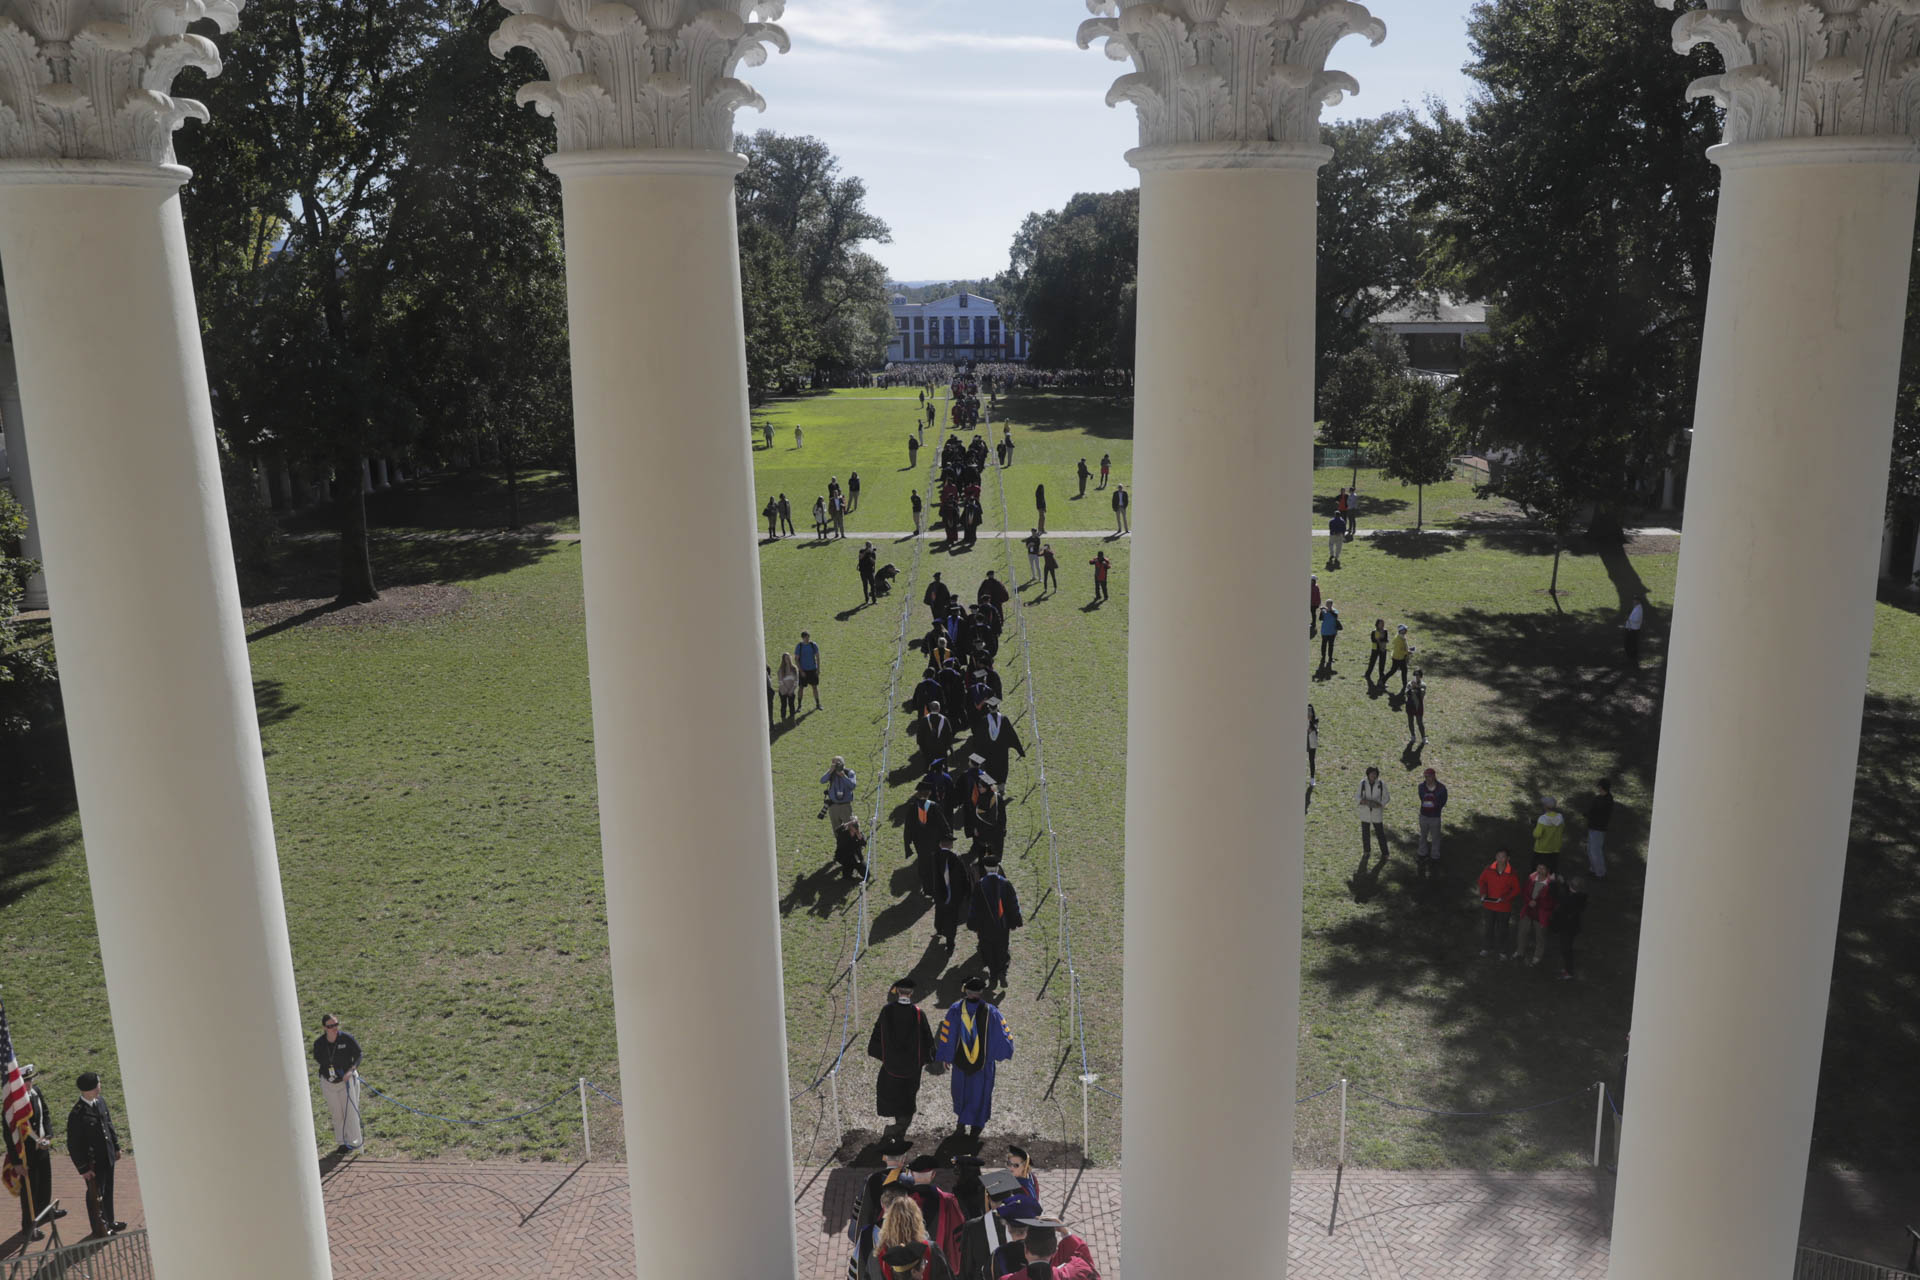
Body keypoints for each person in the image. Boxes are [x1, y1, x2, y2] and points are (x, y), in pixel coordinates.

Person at [933, 977, 1015, 1139]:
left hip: (961, 1063)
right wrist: (996, 1054)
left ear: (966, 992)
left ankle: (961, 1123)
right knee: (980, 1092)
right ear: (981, 992)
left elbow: (947, 1036)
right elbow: (1002, 1036)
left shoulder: (955, 1010)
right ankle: (977, 1125)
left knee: (962, 1091)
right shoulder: (992, 1012)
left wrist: (946, 1057)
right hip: (983, 1065)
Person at [869, 979, 936, 1139]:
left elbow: (878, 1033)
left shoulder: (887, 1011)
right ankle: (898, 1128)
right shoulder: (919, 1014)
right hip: (912, 1066)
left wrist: (883, 1056)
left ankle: (897, 1127)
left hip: (891, 1064)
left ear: (897, 991)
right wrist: (927, 1059)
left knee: (892, 1093)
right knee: (908, 1097)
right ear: (911, 993)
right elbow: (928, 1039)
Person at [66, 1072, 123, 1237]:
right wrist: (83, 1169)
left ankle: (110, 1221)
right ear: (89, 1089)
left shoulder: (100, 1102)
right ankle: (99, 1229)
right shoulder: (77, 1114)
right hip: (93, 1163)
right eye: (98, 1084)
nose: (100, 1086)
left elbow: (108, 1125)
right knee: (95, 1196)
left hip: (107, 1156)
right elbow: (73, 1144)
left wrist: (116, 1147)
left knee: (108, 1191)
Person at [6, 1064, 59, 1240]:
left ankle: (44, 1212)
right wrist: (16, 1162)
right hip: (25, 1154)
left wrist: (49, 1136)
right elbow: (9, 1136)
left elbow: (45, 1113)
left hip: (41, 1147)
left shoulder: (35, 1092)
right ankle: (28, 1227)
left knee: (45, 1182)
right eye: (25, 1081)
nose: (29, 1084)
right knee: (30, 1190)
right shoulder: (13, 1106)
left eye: (30, 1080)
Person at [967, 855, 1024, 989]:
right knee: (1002, 948)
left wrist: (973, 923)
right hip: (1002, 925)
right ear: (997, 868)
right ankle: (1002, 971)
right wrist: (1016, 920)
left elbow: (974, 907)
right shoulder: (1005, 884)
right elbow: (1013, 904)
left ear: (985, 869)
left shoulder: (979, 885)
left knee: (988, 950)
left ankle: (993, 975)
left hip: (985, 927)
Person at [313, 1014, 363, 1153]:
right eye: (330, 1026)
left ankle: (355, 1142)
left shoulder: (346, 1039)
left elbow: (359, 1054)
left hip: (347, 1081)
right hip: (329, 1083)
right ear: (324, 1028)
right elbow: (320, 1060)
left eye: (336, 1025)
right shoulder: (319, 1044)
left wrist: (350, 1071)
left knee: (350, 1112)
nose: (334, 1028)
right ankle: (342, 1143)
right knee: (337, 1114)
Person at [1476, 849, 1522, 957]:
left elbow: (1516, 889)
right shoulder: (1488, 870)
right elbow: (1481, 881)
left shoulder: (1511, 873)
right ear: (1495, 857)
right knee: (1488, 928)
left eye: (1503, 857)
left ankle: (1503, 951)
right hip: (1489, 905)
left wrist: (1505, 898)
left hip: (1503, 907)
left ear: (1508, 859)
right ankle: (1487, 948)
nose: (1501, 859)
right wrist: (1483, 893)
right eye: (1498, 856)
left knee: (1502, 929)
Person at [932, 836, 974, 949]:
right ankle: (950, 942)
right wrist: (966, 892)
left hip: (939, 895)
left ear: (940, 844)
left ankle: (939, 929)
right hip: (954, 897)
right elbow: (964, 877)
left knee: (939, 912)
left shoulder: (935, 857)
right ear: (950, 845)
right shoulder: (956, 859)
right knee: (952, 919)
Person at [1512, 861, 1557, 965]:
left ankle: (1537, 956)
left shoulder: (1551, 885)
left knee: (1540, 936)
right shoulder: (1531, 877)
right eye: (1539, 868)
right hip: (1528, 910)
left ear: (1548, 871)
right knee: (1522, 932)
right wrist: (1529, 901)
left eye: (1543, 869)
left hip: (1541, 915)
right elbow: (1524, 892)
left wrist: (1537, 904)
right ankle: (1520, 951)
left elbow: (1552, 903)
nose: (1540, 871)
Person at [1552, 874, 1590, 980]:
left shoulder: (1568, 900)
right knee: (1566, 948)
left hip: (1566, 928)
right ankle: (1567, 969)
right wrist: (1563, 883)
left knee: (1566, 949)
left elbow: (1560, 900)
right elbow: (1569, 892)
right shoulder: (1581, 897)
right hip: (1573, 927)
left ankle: (1568, 972)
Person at [1415, 768, 1447, 876]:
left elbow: (1443, 801)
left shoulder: (1442, 788)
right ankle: (1422, 854)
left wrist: (1436, 807)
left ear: (1434, 776)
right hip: (1424, 816)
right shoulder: (1421, 787)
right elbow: (1421, 798)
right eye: (1425, 776)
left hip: (1435, 817)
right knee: (1423, 835)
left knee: (1435, 837)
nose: (1427, 778)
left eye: (1429, 776)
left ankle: (1435, 856)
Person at [1356, 766, 1388, 861]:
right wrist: (1364, 802)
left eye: (1375, 774)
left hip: (1376, 813)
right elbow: (1357, 797)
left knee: (1380, 834)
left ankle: (1385, 853)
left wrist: (1380, 805)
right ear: (1368, 774)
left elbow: (1387, 797)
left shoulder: (1381, 784)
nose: (1373, 775)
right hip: (1365, 813)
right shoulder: (1362, 783)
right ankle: (1366, 851)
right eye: (1372, 773)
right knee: (1365, 833)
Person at [1585, 779, 1614, 878]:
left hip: (1598, 828)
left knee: (1595, 851)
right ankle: (1594, 869)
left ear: (1601, 787)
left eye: (1599, 786)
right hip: (1593, 826)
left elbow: (1599, 814)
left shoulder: (1607, 800)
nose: (1598, 788)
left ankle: (1600, 873)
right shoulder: (1599, 798)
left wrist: (1589, 815)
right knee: (1590, 849)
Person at [822, 756, 859, 830]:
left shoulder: (849, 772)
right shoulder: (831, 773)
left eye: (837, 763)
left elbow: (853, 786)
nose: (836, 765)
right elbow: (822, 781)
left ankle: (851, 842)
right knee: (837, 830)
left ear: (843, 763)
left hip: (845, 806)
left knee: (851, 829)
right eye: (833, 763)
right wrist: (830, 771)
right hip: (833, 806)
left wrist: (843, 776)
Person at [1532, 796, 1565, 872]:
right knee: (1552, 869)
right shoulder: (1560, 817)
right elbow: (1562, 829)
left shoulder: (1542, 819)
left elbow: (1537, 834)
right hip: (1555, 849)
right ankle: (1550, 883)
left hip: (1542, 849)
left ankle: (1539, 883)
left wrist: (1535, 828)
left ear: (1545, 806)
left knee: (1539, 870)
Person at [836, 815, 871, 881]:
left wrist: (860, 838)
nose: (855, 828)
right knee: (846, 877)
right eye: (853, 826)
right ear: (849, 826)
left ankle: (855, 869)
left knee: (867, 874)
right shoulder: (843, 833)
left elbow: (864, 844)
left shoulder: (859, 834)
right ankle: (848, 869)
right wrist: (849, 823)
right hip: (845, 857)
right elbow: (837, 830)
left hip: (857, 858)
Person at [797, 631, 823, 709]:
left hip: (812, 670)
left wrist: (818, 669)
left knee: (814, 687)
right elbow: (796, 659)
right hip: (803, 670)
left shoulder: (813, 645)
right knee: (801, 687)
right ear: (803, 638)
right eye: (806, 637)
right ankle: (799, 705)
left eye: (808, 637)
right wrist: (801, 671)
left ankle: (818, 704)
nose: (807, 639)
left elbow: (817, 657)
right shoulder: (799, 646)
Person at [1388, 624, 1414, 692]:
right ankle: (1382, 680)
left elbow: (1403, 647)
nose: (1406, 631)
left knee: (1404, 671)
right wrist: (1408, 652)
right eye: (1405, 629)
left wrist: (1409, 649)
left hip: (1401, 657)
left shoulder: (1402, 637)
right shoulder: (1398, 639)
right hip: (1398, 658)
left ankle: (1405, 685)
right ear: (1401, 630)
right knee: (1393, 671)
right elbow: (1400, 651)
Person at [1364, 618, 1389, 687]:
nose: (1382, 625)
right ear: (1377, 624)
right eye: (1381, 623)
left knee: (1382, 664)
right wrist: (1380, 639)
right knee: (1372, 662)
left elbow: (1386, 639)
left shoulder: (1385, 631)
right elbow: (1373, 640)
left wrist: (1380, 639)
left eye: (1383, 623)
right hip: (1375, 649)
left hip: (1383, 649)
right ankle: (1367, 674)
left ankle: (1381, 678)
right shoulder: (1374, 631)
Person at [1405, 669, 1428, 743]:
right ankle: (1413, 736)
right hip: (1410, 704)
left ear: (1421, 676)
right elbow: (1407, 693)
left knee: (1419, 722)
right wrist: (1411, 687)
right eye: (1415, 674)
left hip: (1418, 705)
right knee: (1410, 721)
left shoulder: (1423, 685)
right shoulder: (1409, 683)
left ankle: (1424, 738)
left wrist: (1416, 687)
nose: (1416, 676)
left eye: (1417, 675)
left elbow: (1421, 695)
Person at [1317, 602, 1341, 670]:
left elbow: (1335, 616)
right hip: (1324, 631)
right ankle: (1323, 657)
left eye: (1329, 604)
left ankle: (1330, 657)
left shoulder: (1335, 611)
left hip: (1332, 631)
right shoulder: (1324, 611)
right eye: (1327, 604)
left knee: (1331, 645)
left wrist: (1329, 610)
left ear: (1331, 604)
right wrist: (1321, 612)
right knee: (1323, 644)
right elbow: (1320, 619)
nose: (1328, 605)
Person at [1622, 595, 1646, 665]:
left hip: (1633, 629)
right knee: (1631, 642)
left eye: (1635, 600)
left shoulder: (1639, 609)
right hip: (1632, 628)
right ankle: (1631, 655)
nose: (1633, 601)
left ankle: (1631, 656)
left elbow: (1636, 619)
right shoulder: (1637, 608)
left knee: (1630, 642)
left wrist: (1628, 618)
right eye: (1634, 600)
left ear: (1638, 601)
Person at [1306, 704, 1319, 788]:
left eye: (1310, 711)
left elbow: (1314, 730)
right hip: (1304, 741)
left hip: (1312, 742)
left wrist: (1310, 721)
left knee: (1312, 760)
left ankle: (1312, 778)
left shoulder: (1315, 720)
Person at [1310, 574, 1322, 639]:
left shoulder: (1314, 587)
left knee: (1313, 613)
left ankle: (1313, 623)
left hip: (1313, 603)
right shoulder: (1315, 587)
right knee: (1312, 613)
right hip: (1313, 603)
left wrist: (1317, 602)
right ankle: (1313, 622)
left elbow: (1316, 596)